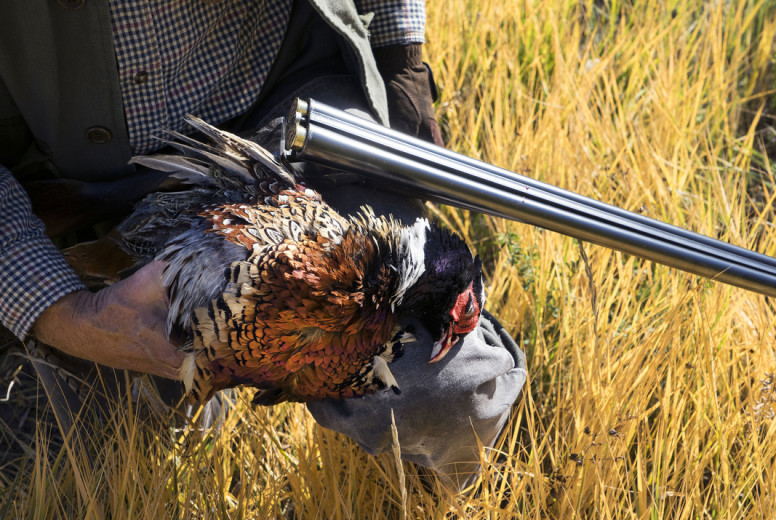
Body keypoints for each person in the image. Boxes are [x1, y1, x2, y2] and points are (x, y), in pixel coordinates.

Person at [0, 0, 526, 490]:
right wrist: (64, 310)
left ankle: (423, 480)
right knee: (112, 465)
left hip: (297, 115)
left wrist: (399, 52)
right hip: (77, 163)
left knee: (442, 394)